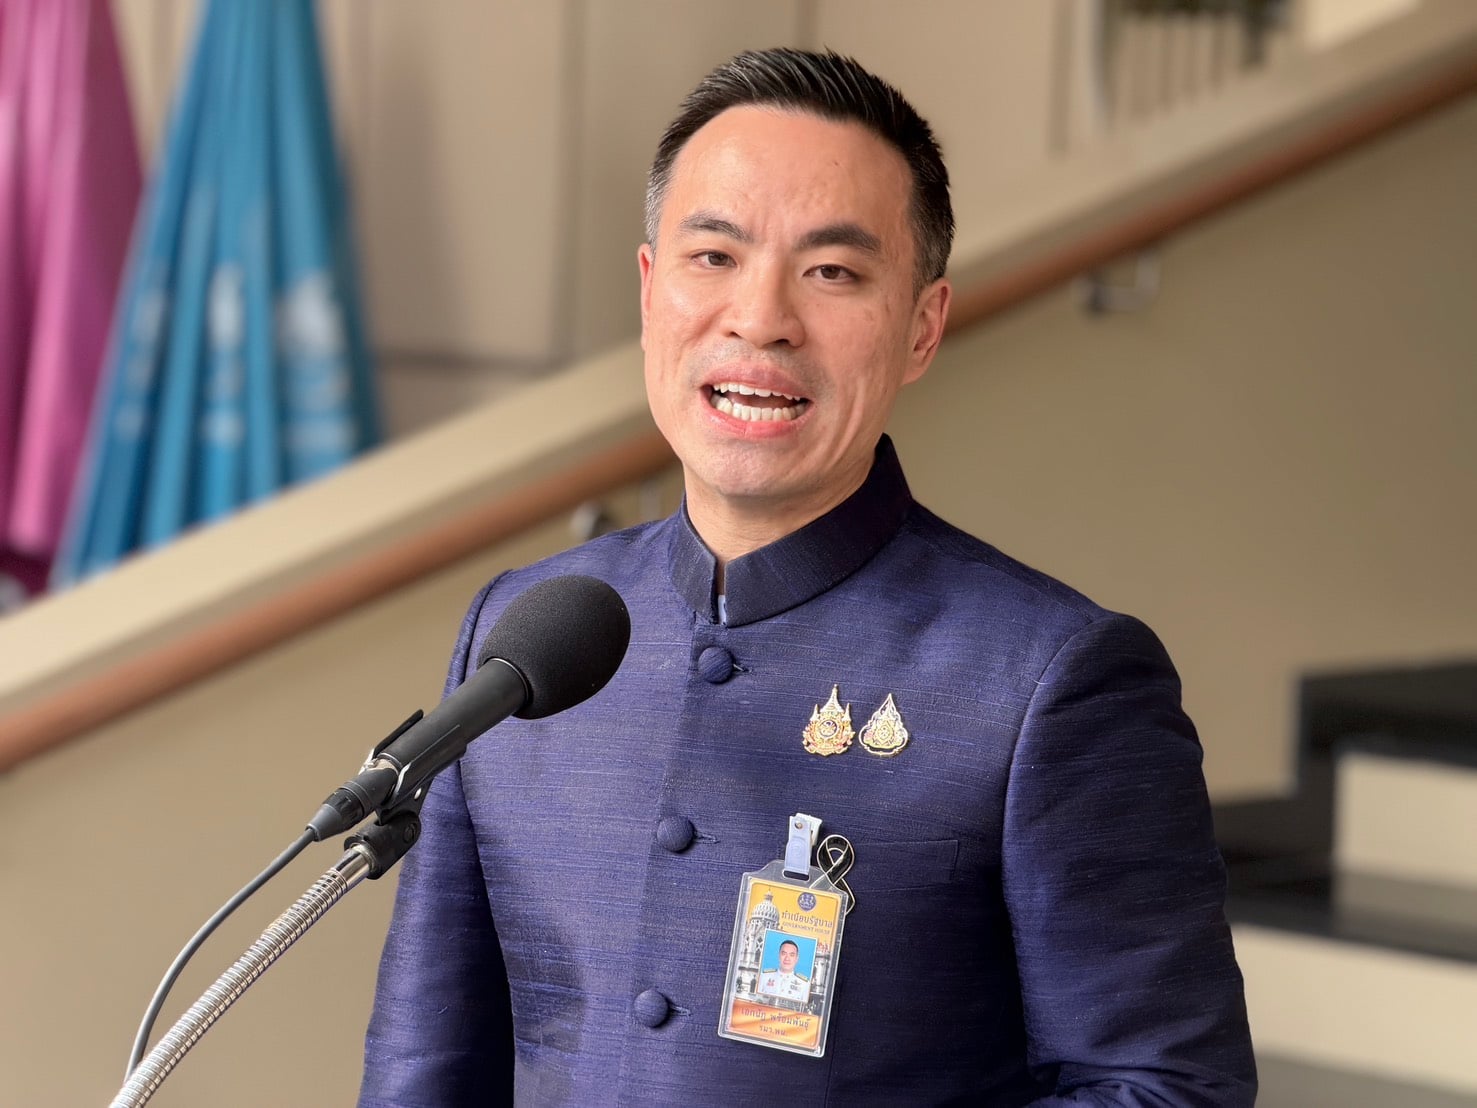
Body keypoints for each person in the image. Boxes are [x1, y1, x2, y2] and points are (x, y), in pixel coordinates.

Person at [360, 47, 1256, 1105]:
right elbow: (425, 1072)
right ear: (648, 292)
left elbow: (1165, 1088)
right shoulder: (520, 638)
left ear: (921, 326)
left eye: (832, 272)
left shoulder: (1049, 678)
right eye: (712, 256)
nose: (760, 318)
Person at [756, 939, 811, 1004]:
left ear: (797, 958)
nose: (787, 958)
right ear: (779, 955)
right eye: (784, 954)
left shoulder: (804, 984)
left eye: (791, 955)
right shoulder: (764, 976)